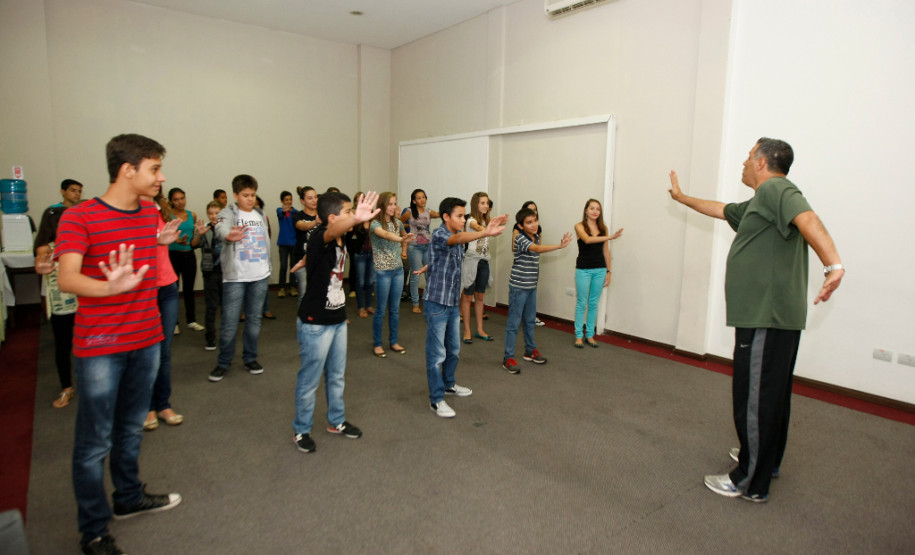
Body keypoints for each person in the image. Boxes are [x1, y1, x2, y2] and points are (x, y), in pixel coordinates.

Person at [668, 137, 844, 503]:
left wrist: (834, 265)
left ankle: (748, 479)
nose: (743, 163)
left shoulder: (778, 189)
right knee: (772, 394)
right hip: (772, 316)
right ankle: (767, 461)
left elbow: (809, 219)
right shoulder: (759, 203)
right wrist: (683, 198)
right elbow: (721, 209)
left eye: (749, 157)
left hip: (767, 315)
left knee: (754, 397)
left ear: (763, 163)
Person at [55, 133, 181, 555]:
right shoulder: (80, 217)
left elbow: (143, 254)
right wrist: (110, 288)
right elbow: (67, 278)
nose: (161, 178)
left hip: (146, 338)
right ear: (128, 170)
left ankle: (128, 498)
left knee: (130, 428)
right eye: (154, 169)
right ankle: (93, 529)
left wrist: (160, 243)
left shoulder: (148, 213)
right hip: (101, 346)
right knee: (94, 442)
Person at [290, 191, 379, 452]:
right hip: (315, 322)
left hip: (338, 318)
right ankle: (301, 430)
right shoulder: (322, 235)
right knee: (310, 379)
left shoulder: (342, 237)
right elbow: (327, 234)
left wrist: (306, 261)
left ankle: (336, 421)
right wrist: (355, 219)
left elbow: (330, 243)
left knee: (337, 376)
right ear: (332, 218)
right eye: (348, 211)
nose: (352, 215)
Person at [421, 197, 507, 417]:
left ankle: (449, 384)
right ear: (446, 217)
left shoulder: (457, 240)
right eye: (459, 216)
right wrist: (486, 232)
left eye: (464, 215)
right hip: (437, 303)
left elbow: (446, 256)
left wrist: (429, 265)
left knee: (454, 349)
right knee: (436, 354)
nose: (463, 219)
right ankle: (436, 399)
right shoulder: (441, 233)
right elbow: (457, 238)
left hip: (451, 302)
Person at [145, 192, 200, 431]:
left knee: (163, 350)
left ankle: (163, 404)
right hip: (142, 289)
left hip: (166, 286)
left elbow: (172, 242)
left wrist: (182, 237)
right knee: (145, 351)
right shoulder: (130, 213)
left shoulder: (160, 214)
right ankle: (145, 407)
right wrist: (155, 240)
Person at [208, 175, 272, 382]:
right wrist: (227, 235)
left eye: (253, 195)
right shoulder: (228, 212)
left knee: (254, 320)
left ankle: (250, 358)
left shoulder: (259, 213)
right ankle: (223, 362)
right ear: (235, 195)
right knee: (229, 323)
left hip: (260, 275)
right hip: (236, 277)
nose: (250, 199)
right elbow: (220, 226)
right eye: (245, 195)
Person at [501, 208, 573, 374]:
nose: (533, 225)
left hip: (531, 287)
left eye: (535, 221)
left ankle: (530, 350)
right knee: (513, 324)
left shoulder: (536, 236)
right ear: (521, 225)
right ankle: (508, 358)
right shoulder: (520, 238)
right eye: (529, 222)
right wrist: (559, 246)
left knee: (529, 321)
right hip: (518, 287)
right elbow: (536, 249)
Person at [34, 178, 83, 408]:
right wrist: (41, 267)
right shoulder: (46, 246)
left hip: (84, 298)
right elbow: (40, 264)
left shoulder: (80, 240)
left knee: (87, 342)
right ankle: (66, 388)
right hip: (61, 302)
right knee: (63, 345)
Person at [573, 199, 623, 348]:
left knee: (594, 303)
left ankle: (590, 335)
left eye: (598, 209)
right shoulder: (579, 226)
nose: (595, 211)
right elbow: (588, 240)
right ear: (586, 210)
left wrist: (609, 271)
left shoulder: (603, 228)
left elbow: (606, 251)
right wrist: (611, 237)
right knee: (582, 302)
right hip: (583, 269)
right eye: (592, 208)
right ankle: (578, 336)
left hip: (600, 269)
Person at [369, 192, 414, 357]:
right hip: (383, 272)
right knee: (381, 309)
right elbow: (386, 235)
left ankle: (394, 341)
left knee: (395, 310)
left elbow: (404, 238)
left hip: (397, 271)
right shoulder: (374, 224)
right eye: (390, 204)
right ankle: (377, 344)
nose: (393, 207)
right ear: (382, 205)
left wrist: (404, 247)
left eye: (394, 204)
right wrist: (402, 240)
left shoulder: (397, 223)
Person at [167, 188, 204, 334]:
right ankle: (173, 323)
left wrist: (197, 237)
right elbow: (165, 234)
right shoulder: (167, 215)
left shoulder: (192, 215)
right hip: (173, 255)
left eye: (182, 198)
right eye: (176, 199)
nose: (180, 202)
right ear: (171, 201)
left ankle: (191, 320)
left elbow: (194, 239)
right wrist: (177, 240)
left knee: (189, 290)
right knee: (173, 290)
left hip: (189, 255)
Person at [460, 192, 495, 343]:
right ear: (476, 204)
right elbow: (477, 228)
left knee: (480, 296)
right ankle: (467, 331)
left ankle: (480, 330)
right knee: (468, 296)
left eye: (487, 203)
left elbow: (488, 231)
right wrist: (491, 228)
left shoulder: (486, 221)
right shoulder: (471, 220)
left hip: (484, 262)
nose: (486, 205)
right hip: (471, 261)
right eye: (482, 203)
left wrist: (494, 225)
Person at [400, 188, 439, 314]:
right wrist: (407, 230)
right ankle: (415, 304)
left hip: (427, 246)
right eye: (419, 197)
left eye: (424, 197)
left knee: (430, 274)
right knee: (416, 275)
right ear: (414, 200)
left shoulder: (428, 211)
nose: (422, 199)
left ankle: (430, 301)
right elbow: (398, 223)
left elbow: (441, 214)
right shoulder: (409, 211)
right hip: (414, 246)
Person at [512, 200, 546, 327]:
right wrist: (559, 246)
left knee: (532, 293)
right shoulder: (518, 231)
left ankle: (530, 317)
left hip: (533, 265)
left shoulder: (538, 230)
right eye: (530, 209)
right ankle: (519, 316)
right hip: (522, 268)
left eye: (535, 210)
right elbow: (514, 246)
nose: (533, 212)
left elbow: (539, 247)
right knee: (521, 296)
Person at [196, 201, 223, 351]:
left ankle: (226, 336)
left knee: (227, 307)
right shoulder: (204, 228)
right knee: (211, 307)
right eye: (211, 213)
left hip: (226, 272)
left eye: (217, 213)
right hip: (210, 272)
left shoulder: (227, 228)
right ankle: (210, 338)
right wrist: (199, 235)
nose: (214, 216)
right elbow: (193, 243)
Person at [344, 192, 375, 318]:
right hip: (360, 255)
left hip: (372, 254)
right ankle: (361, 307)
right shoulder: (357, 224)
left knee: (370, 282)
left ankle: (368, 306)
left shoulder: (374, 224)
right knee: (361, 282)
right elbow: (349, 237)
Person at [292, 186, 319, 302]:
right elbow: (302, 226)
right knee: (304, 294)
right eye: (310, 198)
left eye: (316, 197)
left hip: (320, 260)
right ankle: (302, 320)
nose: (314, 200)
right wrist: (316, 222)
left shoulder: (323, 214)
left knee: (320, 293)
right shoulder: (297, 215)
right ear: (302, 201)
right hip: (302, 259)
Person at [256, 195, 276, 320]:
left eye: (257, 204)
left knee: (264, 285)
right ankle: (245, 312)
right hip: (248, 257)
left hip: (262, 255)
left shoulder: (264, 216)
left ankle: (266, 309)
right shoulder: (240, 218)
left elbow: (268, 234)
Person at [276, 190, 297, 298]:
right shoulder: (280, 210)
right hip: (283, 243)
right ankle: (282, 288)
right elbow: (281, 213)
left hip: (294, 242)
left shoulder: (296, 212)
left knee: (293, 266)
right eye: (286, 200)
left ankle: (293, 287)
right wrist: (285, 210)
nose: (289, 202)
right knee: (283, 265)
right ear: (282, 201)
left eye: (290, 199)